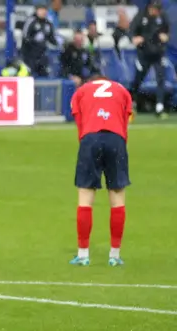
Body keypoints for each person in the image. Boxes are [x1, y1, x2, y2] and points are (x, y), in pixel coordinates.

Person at [69, 76, 133, 267]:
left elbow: (79, 121)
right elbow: (125, 119)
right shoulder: (122, 89)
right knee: (117, 197)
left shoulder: (81, 91)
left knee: (85, 196)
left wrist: (87, 144)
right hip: (116, 139)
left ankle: (83, 255)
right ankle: (114, 256)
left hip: (90, 139)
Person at [129, 0, 170, 118]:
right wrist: (134, 38)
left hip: (158, 53)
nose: (157, 12)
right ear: (150, 8)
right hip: (144, 53)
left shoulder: (162, 16)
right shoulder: (141, 15)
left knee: (160, 78)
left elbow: (166, 31)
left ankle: (159, 107)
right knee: (138, 79)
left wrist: (165, 36)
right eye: (155, 9)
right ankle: (131, 103)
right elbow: (132, 30)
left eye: (158, 9)